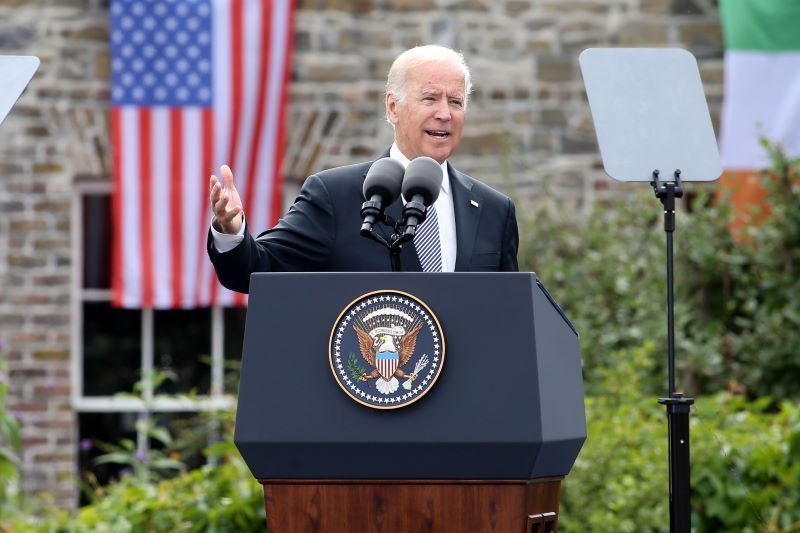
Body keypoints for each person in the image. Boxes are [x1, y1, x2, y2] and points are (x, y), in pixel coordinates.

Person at [208, 45, 518, 293]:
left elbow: (510, 311)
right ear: (393, 107)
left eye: (456, 102)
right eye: (430, 98)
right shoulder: (335, 195)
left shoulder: (494, 210)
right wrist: (231, 232)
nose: (445, 114)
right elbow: (258, 270)